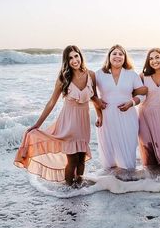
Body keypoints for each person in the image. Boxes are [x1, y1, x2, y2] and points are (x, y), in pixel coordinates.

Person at [14, 45, 102, 186]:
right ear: (66, 61)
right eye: (70, 58)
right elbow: (51, 103)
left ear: (80, 56)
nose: (74, 60)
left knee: (81, 158)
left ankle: (79, 187)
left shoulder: (91, 75)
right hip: (69, 123)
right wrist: (38, 124)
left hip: (83, 123)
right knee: (72, 160)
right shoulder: (63, 78)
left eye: (76, 56)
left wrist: (100, 116)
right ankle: (68, 191)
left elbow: (95, 98)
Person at [95, 45, 147, 177]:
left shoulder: (131, 74)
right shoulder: (99, 74)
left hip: (128, 117)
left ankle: (129, 184)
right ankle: (110, 186)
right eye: (114, 54)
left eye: (121, 54)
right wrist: (97, 106)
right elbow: (90, 94)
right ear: (109, 57)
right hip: (107, 118)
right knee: (109, 154)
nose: (117, 56)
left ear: (124, 58)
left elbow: (142, 94)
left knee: (128, 153)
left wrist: (131, 102)